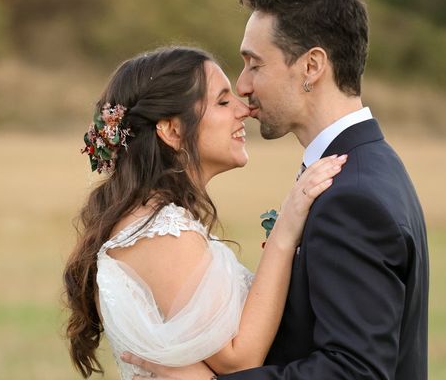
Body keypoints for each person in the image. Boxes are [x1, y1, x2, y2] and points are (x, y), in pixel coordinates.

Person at [123, 0, 429, 379]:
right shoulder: (367, 166)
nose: (243, 86)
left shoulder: (353, 197)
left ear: (312, 66)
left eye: (254, 64)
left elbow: (355, 372)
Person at [63, 46, 348, 379]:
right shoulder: (162, 234)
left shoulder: (158, 222)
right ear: (171, 130)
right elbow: (239, 358)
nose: (244, 109)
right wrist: (285, 231)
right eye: (223, 102)